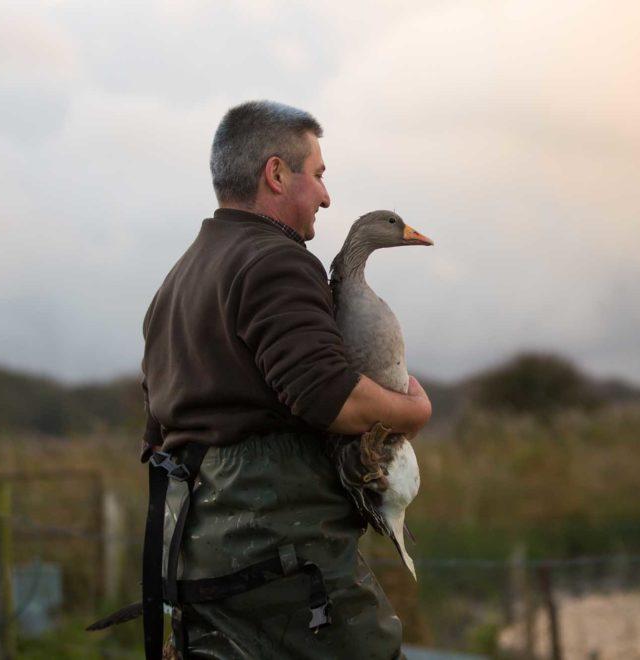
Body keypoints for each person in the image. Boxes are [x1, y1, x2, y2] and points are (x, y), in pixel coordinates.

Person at [139, 100, 432, 659]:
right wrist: (414, 411)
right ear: (276, 174)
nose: (326, 196)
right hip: (282, 564)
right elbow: (332, 398)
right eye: (318, 175)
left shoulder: (177, 281)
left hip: (194, 562)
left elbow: (157, 430)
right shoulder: (275, 260)